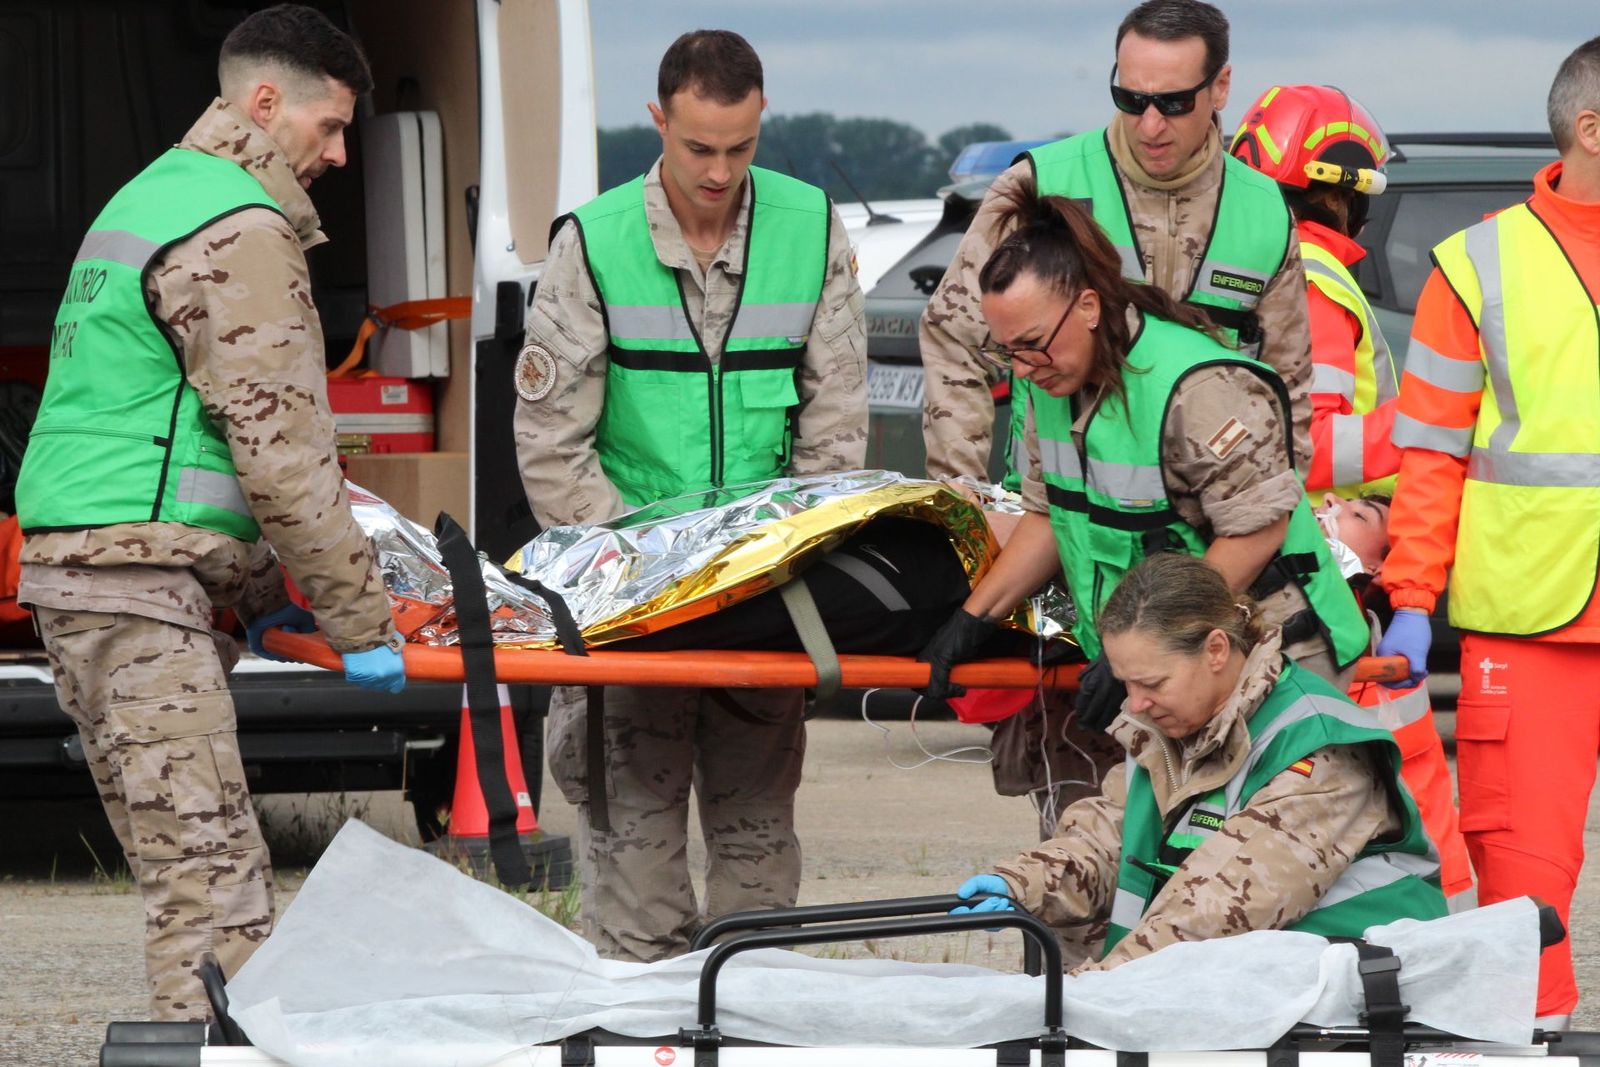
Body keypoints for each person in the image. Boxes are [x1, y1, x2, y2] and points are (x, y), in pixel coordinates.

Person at [13, 4, 405, 1022]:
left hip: (91, 576)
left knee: (186, 873)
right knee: (216, 900)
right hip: (135, 590)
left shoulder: (150, 197)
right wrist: (362, 621)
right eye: (327, 126)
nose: (339, 152)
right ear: (264, 103)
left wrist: (264, 581)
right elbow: (282, 460)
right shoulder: (238, 226)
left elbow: (177, 431)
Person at [919, 0, 1315, 839]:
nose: (1150, 121)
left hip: (1222, 587)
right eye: (1130, 97)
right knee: (1084, 839)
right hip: (1078, 556)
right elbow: (958, 337)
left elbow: (1289, 400)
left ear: (1221, 90)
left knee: (1217, 848)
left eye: (1173, 100)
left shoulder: (1262, 213)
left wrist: (1182, 624)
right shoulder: (1044, 183)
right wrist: (967, 526)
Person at [513, 30, 867, 961]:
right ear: (658, 122)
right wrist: (646, 573)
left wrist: (770, 564)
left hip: (763, 600)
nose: (719, 171)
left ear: (761, 125)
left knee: (759, 876)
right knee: (635, 882)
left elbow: (834, 440)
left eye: (741, 148)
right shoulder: (592, 242)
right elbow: (552, 444)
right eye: (698, 147)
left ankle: (753, 1033)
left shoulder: (810, 227)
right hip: (632, 610)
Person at [917, 187, 1367, 726]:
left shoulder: (1200, 387)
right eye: (1005, 350)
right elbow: (1047, 516)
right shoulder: (1052, 379)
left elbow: (1257, 532)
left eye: (1032, 344)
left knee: (1252, 811)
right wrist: (972, 619)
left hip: (1276, 647)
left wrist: (1146, 641)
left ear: (1087, 307)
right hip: (1169, 655)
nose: (1020, 369)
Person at [1377, 35, 1600, 1027]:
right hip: (1534, 622)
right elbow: (1430, 455)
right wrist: (1410, 602)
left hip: (1540, 616)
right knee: (1523, 880)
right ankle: (1531, 1035)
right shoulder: (1476, 265)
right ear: (1589, 129)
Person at [948, 553, 1446, 969]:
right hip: (1254, 1002)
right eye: (1126, 683)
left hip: (1352, 1013)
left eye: (1153, 683)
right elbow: (1107, 840)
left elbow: (1217, 912)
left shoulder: (1320, 747)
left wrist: (1091, 994)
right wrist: (1022, 883)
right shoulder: (1174, 726)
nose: (1135, 703)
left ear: (1215, 649)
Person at [1229, 84, 1401, 497]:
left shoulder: (1241, 265)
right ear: (1336, 194)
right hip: (1322, 539)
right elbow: (1313, 447)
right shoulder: (1314, 281)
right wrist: (1430, 414)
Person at [1314, 494, 1473, 905]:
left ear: (1378, 569)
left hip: (1411, 878)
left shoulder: (1361, 636)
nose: (1330, 502)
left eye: (1359, 514)